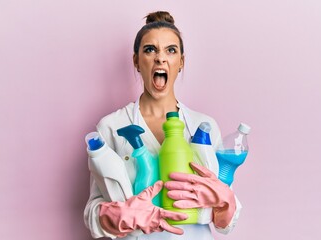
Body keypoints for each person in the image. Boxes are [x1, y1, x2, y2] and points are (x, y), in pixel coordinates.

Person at [84, 11, 242, 240]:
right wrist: (119, 215)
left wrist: (225, 200)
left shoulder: (203, 126)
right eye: (150, 50)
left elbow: (224, 225)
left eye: (171, 50)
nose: (160, 58)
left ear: (181, 62)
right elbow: (91, 213)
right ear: (136, 61)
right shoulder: (111, 126)